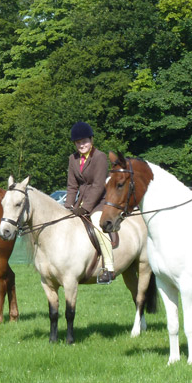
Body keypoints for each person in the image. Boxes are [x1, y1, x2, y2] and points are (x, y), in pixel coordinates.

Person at [64, 121, 115, 284]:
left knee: (98, 225)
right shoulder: (73, 159)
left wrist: (86, 208)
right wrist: (68, 207)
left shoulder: (99, 157)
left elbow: (99, 185)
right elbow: (72, 186)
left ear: (91, 140)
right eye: (78, 142)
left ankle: (109, 267)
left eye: (84, 141)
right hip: (80, 203)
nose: (81, 145)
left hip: (99, 201)